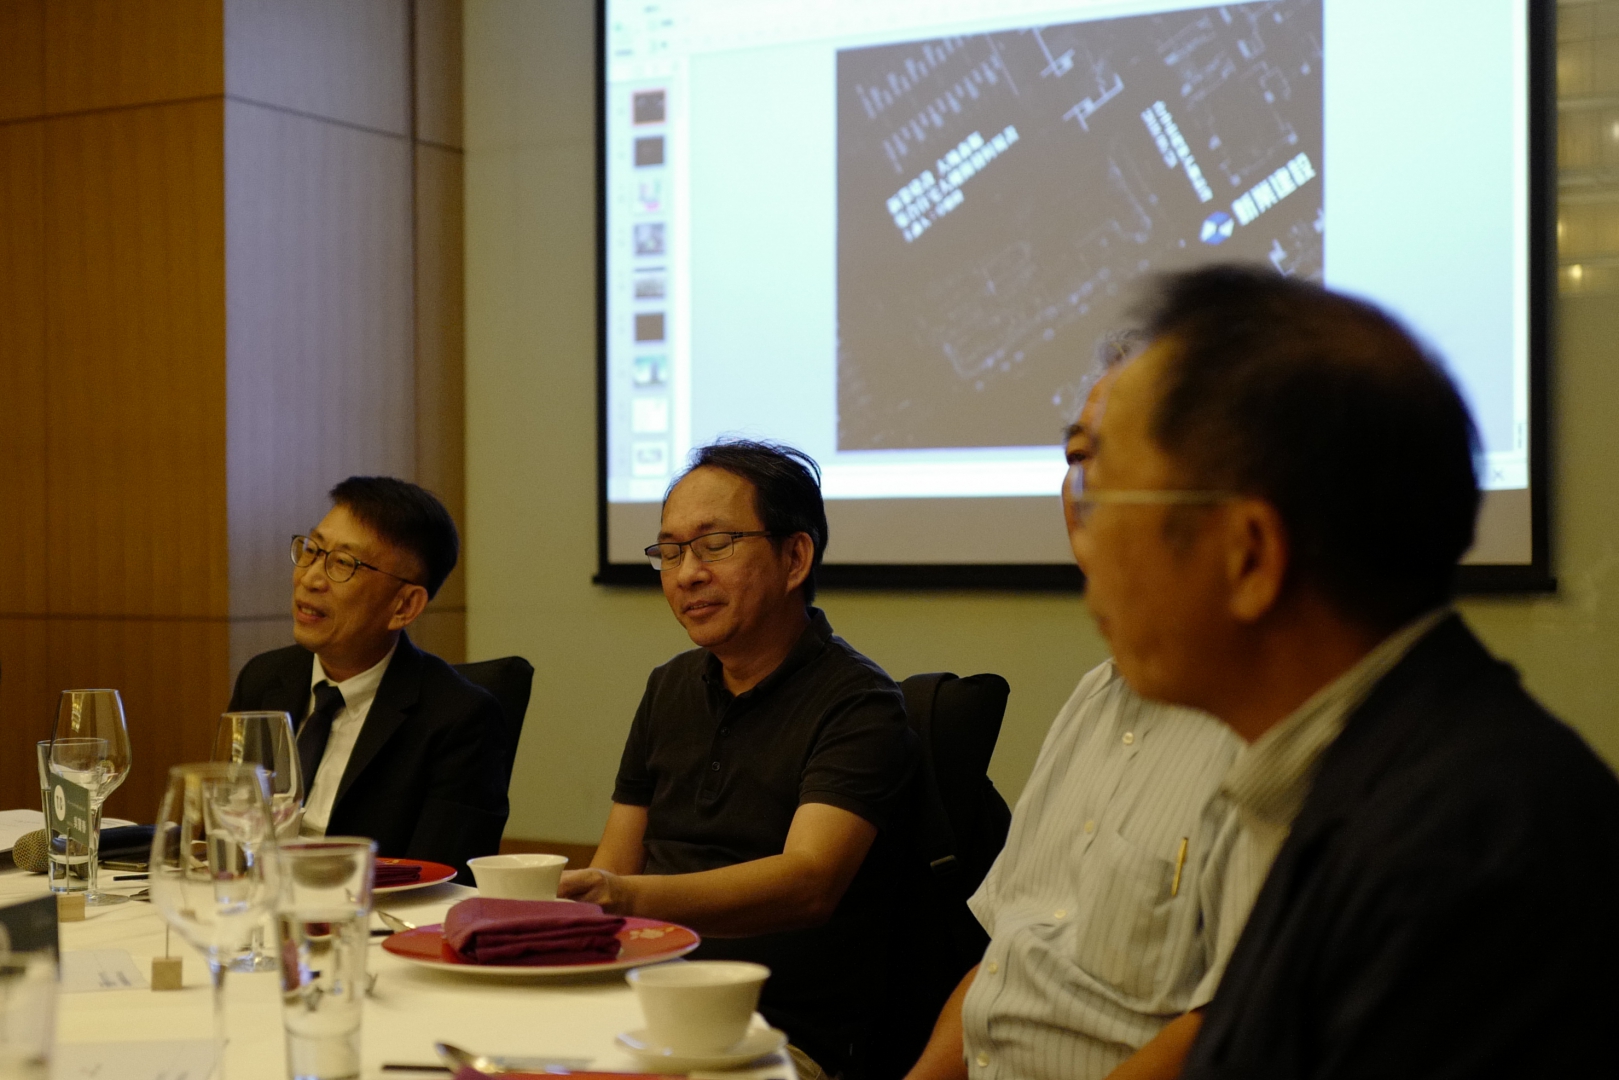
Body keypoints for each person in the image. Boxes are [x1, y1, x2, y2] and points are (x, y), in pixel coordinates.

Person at [1070, 265, 1619, 1077]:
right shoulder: (1366, 777)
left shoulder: (1464, 854)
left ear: (1249, 555)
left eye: (1101, 489)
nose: (1081, 537)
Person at [905, 347, 1267, 1080]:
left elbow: (1237, 1023)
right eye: (1077, 458)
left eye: (1119, 458)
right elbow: (1007, 962)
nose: (1085, 488)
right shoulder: (1096, 695)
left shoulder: (1266, 732)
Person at [558, 440, 915, 1079]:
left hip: (774, 1036)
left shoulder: (859, 702)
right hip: (642, 1006)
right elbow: (617, 862)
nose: (687, 574)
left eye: (715, 544)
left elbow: (809, 883)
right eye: (670, 551)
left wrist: (626, 895)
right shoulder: (669, 686)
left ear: (795, 557)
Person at [228, 476, 509, 875]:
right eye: (312, 550)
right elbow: (227, 827)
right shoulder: (264, 679)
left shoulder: (460, 719)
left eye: (343, 564)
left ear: (404, 606)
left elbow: (441, 879)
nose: (310, 578)